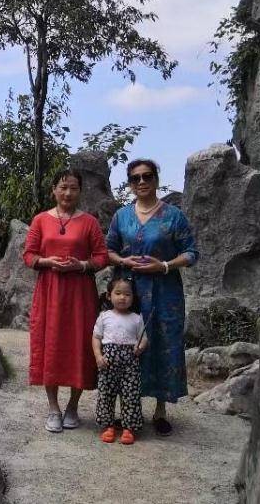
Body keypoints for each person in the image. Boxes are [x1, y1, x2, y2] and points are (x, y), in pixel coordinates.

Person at [106, 158, 199, 437]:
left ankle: (160, 408)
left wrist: (165, 265)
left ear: (156, 179)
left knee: (163, 344)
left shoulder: (174, 216)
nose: (142, 182)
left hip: (165, 291)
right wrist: (123, 259)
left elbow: (192, 252)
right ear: (130, 184)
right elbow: (107, 250)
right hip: (129, 292)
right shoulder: (121, 216)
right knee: (126, 345)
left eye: (147, 176)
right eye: (136, 178)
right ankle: (128, 408)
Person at [22, 167, 109, 433]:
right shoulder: (40, 220)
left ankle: (73, 406)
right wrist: (47, 261)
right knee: (50, 345)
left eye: (73, 187)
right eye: (62, 187)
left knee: (80, 346)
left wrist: (80, 265)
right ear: (54, 190)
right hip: (49, 291)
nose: (67, 192)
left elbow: (102, 256)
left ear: (80, 191)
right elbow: (28, 255)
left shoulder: (89, 223)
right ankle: (53, 409)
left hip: (80, 293)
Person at [93, 275, 148, 444]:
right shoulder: (104, 316)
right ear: (109, 296)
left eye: (127, 294)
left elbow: (144, 338)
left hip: (130, 364)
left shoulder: (137, 318)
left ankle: (128, 429)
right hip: (107, 363)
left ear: (133, 298)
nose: (122, 297)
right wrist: (98, 356)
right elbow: (96, 337)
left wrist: (141, 347)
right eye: (118, 293)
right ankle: (108, 426)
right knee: (106, 395)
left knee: (131, 396)